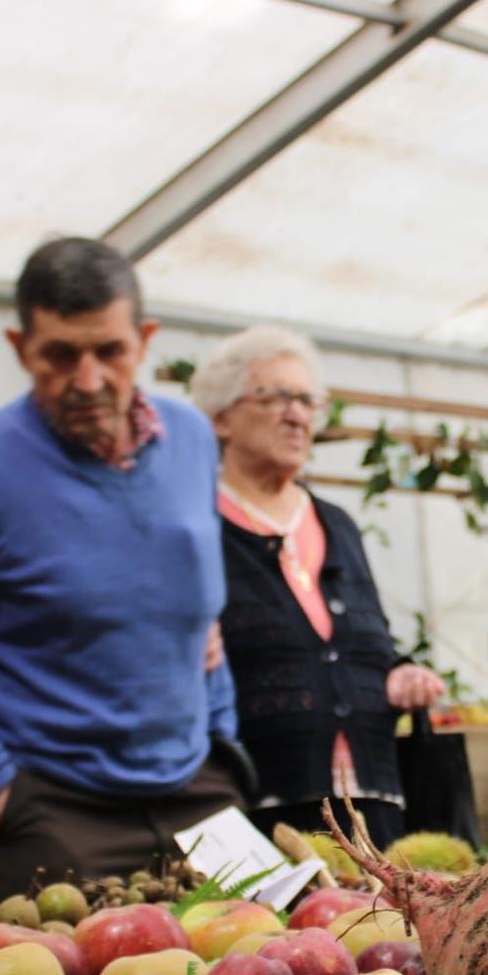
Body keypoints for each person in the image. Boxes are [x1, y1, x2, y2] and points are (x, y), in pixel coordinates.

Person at [0, 238, 242, 901]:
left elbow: (202, 612)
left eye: (109, 351)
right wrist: (4, 794)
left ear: (145, 339)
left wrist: (223, 739)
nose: (87, 380)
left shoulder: (192, 441)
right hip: (53, 813)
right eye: (59, 355)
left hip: (201, 796)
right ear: (20, 347)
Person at [193, 326, 444, 851]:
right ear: (220, 417)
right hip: (259, 811)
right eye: (276, 396)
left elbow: (367, 640)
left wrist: (399, 672)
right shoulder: (196, 526)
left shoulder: (337, 524)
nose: (297, 414)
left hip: (371, 802)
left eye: (308, 400)